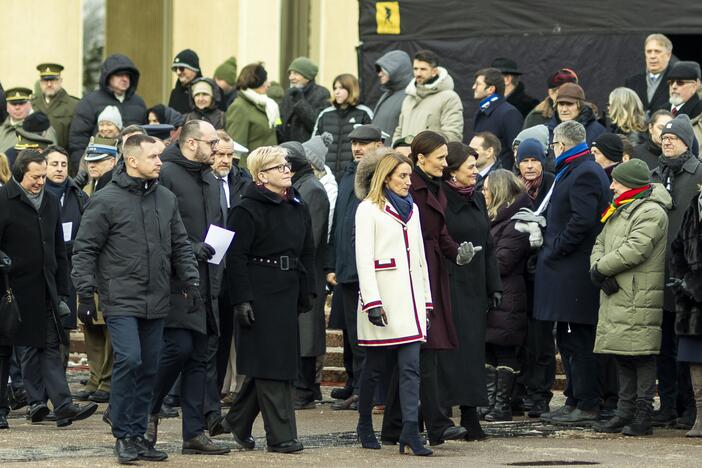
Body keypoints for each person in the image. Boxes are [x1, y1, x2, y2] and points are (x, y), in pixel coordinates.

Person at [72, 134, 201, 464]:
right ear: (132, 160)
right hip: (121, 298)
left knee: (148, 368)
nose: (161, 162)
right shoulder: (106, 200)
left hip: (157, 299)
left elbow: (180, 244)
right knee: (129, 360)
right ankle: (123, 435)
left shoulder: (166, 198)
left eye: (161, 156)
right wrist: (85, 293)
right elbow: (85, 248)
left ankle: (137, 435)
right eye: (154, 156)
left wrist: (191, 281)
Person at [213, 146, 315, 453]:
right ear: (261, 175)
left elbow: (307, 251)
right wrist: (242, 299)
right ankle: (282, 436)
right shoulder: (246, 209)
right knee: (272, 365)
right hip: (259, 292)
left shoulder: (297, 205)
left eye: (286, 165)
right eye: (278, 166)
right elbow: (236, 258)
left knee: (274, 361)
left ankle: (237, 421)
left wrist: (307, 289)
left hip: (288, 290)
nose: (286, 170)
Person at [381, 130, 473, 445]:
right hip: (416, 273)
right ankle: (437, 423)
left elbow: (440, 231)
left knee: (417, 349)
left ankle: (394, 426)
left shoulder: (431, 186)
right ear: (421, 159)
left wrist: (456, 252)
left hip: (431, 269)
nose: (446, 164)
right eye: (440, 158)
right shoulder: (413, 187)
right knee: (425, 348)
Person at [146, 120, 229, 455]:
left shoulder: (209, 178)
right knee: (177, 348)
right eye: (212, 144)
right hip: (174, 280)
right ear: (193, 143)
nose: (217, 149)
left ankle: (193, 433)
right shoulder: (165, 173)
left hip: (206, 281)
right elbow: (153, 224)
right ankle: (144, 409)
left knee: (199, 357)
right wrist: (190, 246)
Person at [0, 150, 98, 430]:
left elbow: (59, 251)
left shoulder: (51, 202)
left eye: (43, 176)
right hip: (9, 293)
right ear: (20, 174)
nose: (41, 182)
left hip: (44, 290)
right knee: (5, 352)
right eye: (35, 176)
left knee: (49, 348)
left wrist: (64, 292)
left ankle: (63, 404)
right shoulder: (3, 201)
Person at [352, 149, 432, 456]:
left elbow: (420, 259)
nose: (408, 182)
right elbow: (363, 258)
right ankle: (363, 424)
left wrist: (426, 301)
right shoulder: (368, 209)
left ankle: (410, 431)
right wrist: (372, 302)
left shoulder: (413, 210)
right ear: (386, 177)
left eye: (409, 176)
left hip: (409, 303)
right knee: (374, 370)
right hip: (383, 302)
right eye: (402, 176)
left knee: (411, 368)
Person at [534, 120, 610, 425]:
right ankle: (574, 398)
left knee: (579, 340)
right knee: (567, 339)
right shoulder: (575, 169)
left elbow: (582, 220)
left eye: (553, 144)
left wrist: (556, 249)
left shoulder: (585, 172)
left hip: (574, 272)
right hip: (564, 271)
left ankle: (588, 402)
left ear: (561, 145)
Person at [591, 159, 670, 436]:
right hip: (618, 292)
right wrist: (598, 267)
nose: (611, 186)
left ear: (631, 185)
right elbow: (600, 242)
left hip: (639, 295)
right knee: (622, 354)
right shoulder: (620, 208)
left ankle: (642, 414)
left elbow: (636, 249)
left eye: (616, 181)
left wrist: (600, 268)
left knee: (641, 355)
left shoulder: (651, 212)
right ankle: (624, 412)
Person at [437, 142, 501, 439]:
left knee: (473, 351)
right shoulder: (439, 199)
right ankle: (442, 417)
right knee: (450, 352)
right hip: (448, 283)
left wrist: (494, 285)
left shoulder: (476, 199)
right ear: (452, 171)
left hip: (474, 286)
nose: (476, 172)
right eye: (471, 167)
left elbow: (488, 245)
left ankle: (471, 414)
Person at [325, 125, 384, 409]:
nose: (357, 148)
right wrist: (332, 262)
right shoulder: (349, 173)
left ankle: (367, 389)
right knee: (349, 333)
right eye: (354, 143)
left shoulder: (381, 175)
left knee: (364, 335)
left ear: (379, 144)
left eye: (364, 143)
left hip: (366, 269)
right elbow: (339, 223)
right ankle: (355, 384)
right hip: (346, 267)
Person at [650, 114, 702, 428]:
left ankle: (690, 409)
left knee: (687, 347)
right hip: (658, 273)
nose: (667, 141)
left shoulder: (699, 174)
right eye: (665, 137)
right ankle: (668, 404)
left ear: (688, 142)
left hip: (689, 277)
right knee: (662, 347)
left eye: (675, 137)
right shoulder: (655, 175)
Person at [280, 141, 329, 409]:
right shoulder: (298, 186)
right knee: (299, 330)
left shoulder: (312, 189)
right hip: (295, 270)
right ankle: (303, 386)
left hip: (306, 272)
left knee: (307, 331)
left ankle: (306, 387)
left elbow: (311, 234)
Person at [481, 169, 531, 421]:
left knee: (505, 352)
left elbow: (503, 261)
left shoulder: (516, 222)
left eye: (487, 188)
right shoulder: (497, 219)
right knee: (489, 350)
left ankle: (501, 406)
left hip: (508, 295)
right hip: (494, 296)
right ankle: (489, 403)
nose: (483, 192)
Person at [211, 130, 251, 403]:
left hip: (234, 265)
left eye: (229, 155)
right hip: (208, 264)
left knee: (229, 335)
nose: (225, 160)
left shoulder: (242, 181)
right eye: (220, 155)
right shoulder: (202, 182)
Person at [43, 146, 90, 369]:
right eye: (54, 164)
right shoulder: (36, 192)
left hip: (69, 271)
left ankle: (58, 385)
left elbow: (89, 231)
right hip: (40, 270)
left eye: (63, 164)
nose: (60, 169)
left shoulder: (78, 195)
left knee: (64, 327)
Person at [68, 54, 147, 174]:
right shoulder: (90, 102)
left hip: (134, 168)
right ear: (108, 77)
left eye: (128, 75)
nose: (125, 79)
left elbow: (145, 138)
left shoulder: (139, 103)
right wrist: (84, 172)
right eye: (120, 75)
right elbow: (78, 142)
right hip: (99, 169)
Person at [671, 178, 702, 438]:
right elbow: (677, 248)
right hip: (692, 304)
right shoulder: (695, 205)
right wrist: (683, 282)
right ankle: (700, 419)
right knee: (694, 359)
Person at [393, 50, 463, 144]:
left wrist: (427, 152)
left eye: (423, 69)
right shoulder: (409, 98)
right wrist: (397, 149)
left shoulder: (450, 98)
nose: (418, 73)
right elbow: (399, 131)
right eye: (415, 69)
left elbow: (453, 135)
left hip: (431, 158)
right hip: (405, 158)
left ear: (434, 71)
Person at [313, 73, 373, 180]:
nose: (337, 92)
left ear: (351, 89)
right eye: (335, 88)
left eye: (341, 88)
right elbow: (314, 145)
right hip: (327, 176)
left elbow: (373, 147)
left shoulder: (364, 113)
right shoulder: (325, 114)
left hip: (354, 175)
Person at [226, 63, 279, 168]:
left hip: (268, 169)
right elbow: (238, 148)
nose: (269, 84)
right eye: (265, 80)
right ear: (256, 82)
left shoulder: (267, 105)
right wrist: (245, 177)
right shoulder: (239, 107)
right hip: (253, 173)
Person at [473, 67, 524, 170]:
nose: (473, 87)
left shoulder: (509, 113)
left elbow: (516, 152)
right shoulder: (482, 112)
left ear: (491, 89)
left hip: (501, 179)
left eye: (478, 84)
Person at [279, 56, 330, 143]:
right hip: (286, 148)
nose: (291, 77)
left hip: (307, 150)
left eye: (295, 73)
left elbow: (316, 124)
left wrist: (300, 101)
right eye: (290, 73)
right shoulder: (288, 93)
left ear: (308, 77)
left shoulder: (321, 93)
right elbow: (280, 120)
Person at [31, 63, 79, 149]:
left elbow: (77, 140)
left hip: (62, 159)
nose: (49, 84)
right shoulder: (32, 105)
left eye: (53, 80)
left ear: (60, 81)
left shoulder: (73, 105)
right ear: (40, 82)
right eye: (45, 80)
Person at [625, 34, 674, 114]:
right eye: (649, 51)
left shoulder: (677, 82)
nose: (652, 56)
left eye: (657, 51)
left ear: (668, 55)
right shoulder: (632, 82)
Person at [372, 51, 413, 144]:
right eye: (378, 70)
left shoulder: (410, 96)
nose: (379, 74)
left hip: (394, 155)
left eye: (383, 70)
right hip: (380, 155)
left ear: (397, 70)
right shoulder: (387, 95)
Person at [0, 87, 57, 153]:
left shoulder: (44, 128)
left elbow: (52, 155)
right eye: (13, 104)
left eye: (21, 103)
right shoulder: (1, 129)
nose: (17, 107)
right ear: (7, 107)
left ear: (30, 105)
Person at [515, 138, 555, 209]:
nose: (530, 166)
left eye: (534, 160)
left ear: (542, 163)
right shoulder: (511, 186)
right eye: (525, 161)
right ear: (518, 164)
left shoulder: (553, 183)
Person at [169, 49, 203, 114]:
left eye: (181, 68)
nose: (178, 72)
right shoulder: (175, 94)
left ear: (194, 69)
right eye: (176, 69)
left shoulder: (208, 91)